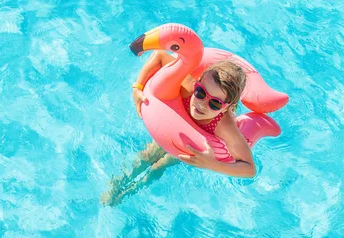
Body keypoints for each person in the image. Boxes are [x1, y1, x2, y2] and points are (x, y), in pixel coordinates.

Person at [100, 51, 255, 206]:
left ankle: (129, 193)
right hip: (171, 128)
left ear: (227, 108)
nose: (202, 104)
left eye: (215, 104)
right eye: (200, 92)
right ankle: (114, 188)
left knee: (158, 167)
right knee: (147, 156)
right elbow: (160, 56)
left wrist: (212, 164)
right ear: (198, 83)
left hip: (191, 146)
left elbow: (249, 169)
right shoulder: (188, 86)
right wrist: (137, 87)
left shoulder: (225, 127)